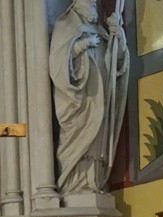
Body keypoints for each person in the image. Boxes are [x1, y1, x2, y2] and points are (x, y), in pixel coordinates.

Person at [49, 0, 128, 195]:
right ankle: (75, 183)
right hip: (79, 100)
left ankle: (94, 181)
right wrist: (81, 46)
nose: (94, 8)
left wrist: (118, 36)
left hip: (98, 98)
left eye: (94, 5)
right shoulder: (65, 24)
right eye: (90, 4)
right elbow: (57, 63)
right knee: (77, 135)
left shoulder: (100, 30)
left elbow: (116, 63)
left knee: (96, 142)